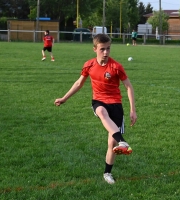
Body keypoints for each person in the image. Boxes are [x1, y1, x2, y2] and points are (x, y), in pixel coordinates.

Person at [54, 34, 137, 184]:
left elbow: (128, 87)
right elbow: (79, 83)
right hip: (99, 101)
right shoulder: (89, 65)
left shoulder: (116, 67)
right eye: (102, 49)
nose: (106, 52)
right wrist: (64, 98)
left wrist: (133, 110)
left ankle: (107, 173)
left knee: (111, 144)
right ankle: (123, 142)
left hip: (116, 105)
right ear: (95, 49)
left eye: (108, 49)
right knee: (101, 112)